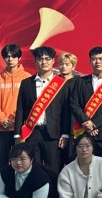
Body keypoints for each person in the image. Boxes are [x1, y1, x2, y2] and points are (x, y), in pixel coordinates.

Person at [13, 46, 71, 178]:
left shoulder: (62, 84)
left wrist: (65, 134)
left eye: (47, 59)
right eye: (40, 59)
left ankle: (53, 193)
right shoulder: (26, 83)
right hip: (32, 133)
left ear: (53, 61)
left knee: (54, 170)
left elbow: (66, 111)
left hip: (53, 134)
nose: (44, 62)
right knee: (33, 170)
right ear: (35, 61)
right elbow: (20, 110)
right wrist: (17, 135)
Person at [0, 43, 32, 175]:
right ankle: (2, 186)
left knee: (23, 161)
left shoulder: (27, 77)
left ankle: (22, 186)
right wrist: (2, 119)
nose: (10, 59)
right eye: (7, 57)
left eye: (13, 56)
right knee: (2, 162)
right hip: (1, 127)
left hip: (21, 128)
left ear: (19, 58)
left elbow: (30, 102)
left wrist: (17, 120)